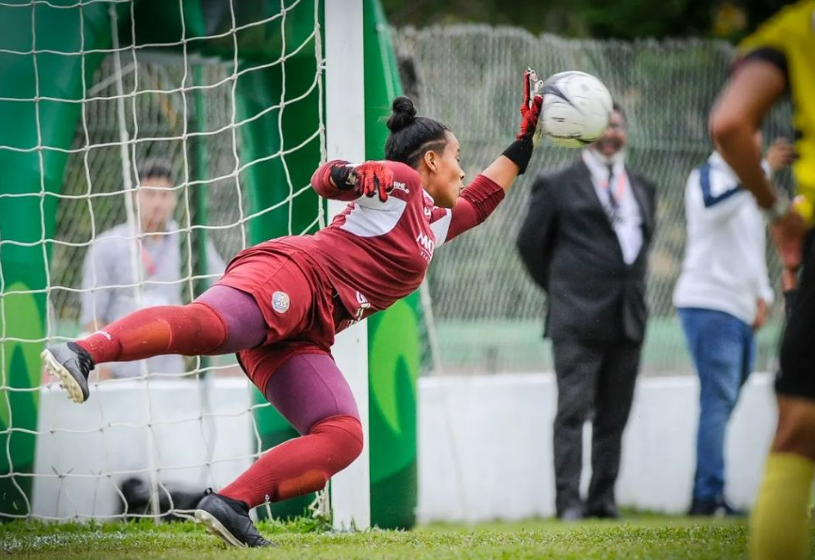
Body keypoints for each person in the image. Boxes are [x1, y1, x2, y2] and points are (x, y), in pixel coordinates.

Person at [41, 70, 544, 547]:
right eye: (458, 155)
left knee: (343, 436)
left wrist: (524, 144)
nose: (463, 166)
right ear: (431, 161)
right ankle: (82, 352)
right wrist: (348, 175)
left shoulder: (431, 222)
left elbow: (479, 200)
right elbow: (325, 180)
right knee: (210, 330)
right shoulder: (402, 183)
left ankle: (231, 504)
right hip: (295, 276)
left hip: (310, 329)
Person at [708, 2, 815, 558]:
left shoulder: (800, 28)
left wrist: (777, 212)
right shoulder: (703, 183)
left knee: (798, 423)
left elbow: (729, 121)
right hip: (721, 303)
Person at [516, 103, 657, 521]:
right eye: (604, 126)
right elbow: (528, 245)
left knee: (615, 416)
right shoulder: (557, 185)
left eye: (618, 126)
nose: (611, 134)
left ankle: (602, 500)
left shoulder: (643, 187)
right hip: (576, 320)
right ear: (587, 132)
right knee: (573, 414)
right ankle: (569, 504)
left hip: (628, 318)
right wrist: (563, 290)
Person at [673, 137, 794, 516]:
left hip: (739, 309)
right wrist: (764, 171)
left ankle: (709, 492)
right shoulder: (707, 177)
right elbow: (713, 209)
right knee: (718, 398)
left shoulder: (749, 187)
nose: (755, 143)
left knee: (724, 400)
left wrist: (763, 295)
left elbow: (750, 244)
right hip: (708, 303)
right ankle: (707, 498)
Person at [80, 157, 226, 378]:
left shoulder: (191, 242)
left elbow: (222, 291)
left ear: (175, 199)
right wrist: (107, 368)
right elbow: (93, 314)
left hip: (177, 371)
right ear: (133, 197)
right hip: (122, 373)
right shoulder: (107, 245)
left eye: (165, 194)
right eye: (149, 194)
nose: (157, 202)